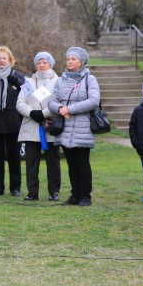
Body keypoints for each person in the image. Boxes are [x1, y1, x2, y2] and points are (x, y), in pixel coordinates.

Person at [48, 47, 100, 207]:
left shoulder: (89, 80)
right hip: (65, 128)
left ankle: (86, 196)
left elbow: (93, 101)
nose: (70, 61)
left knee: (83, 162)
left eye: (73, 59)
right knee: (71, 163)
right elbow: (51, 101)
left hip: (82, 128)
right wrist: (59, 109)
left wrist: (68, 109)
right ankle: (75, 195)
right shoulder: (60, 80)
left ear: (82, 62)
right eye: (68, 58)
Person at [16, 52, 61, 201]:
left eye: (44, 62)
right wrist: (32, 113)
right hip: (31, 125)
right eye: (38, 63)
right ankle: (32, 192)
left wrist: (44, 113)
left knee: (53, 161)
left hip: (50, 125)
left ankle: (54, 191)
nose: (41, 65)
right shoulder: (28, 83)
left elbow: (59, 102)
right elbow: (20, 102)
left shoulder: (58, 82)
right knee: (31, 161)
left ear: (50, 64)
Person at [0, 46, 26, 197]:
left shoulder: (17, 75)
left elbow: (28, 93)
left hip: (13, 123)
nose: (1, 61)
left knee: (14, 156)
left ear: (10, 60)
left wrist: (17, 82)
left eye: (4, 58)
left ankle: (15, 187)